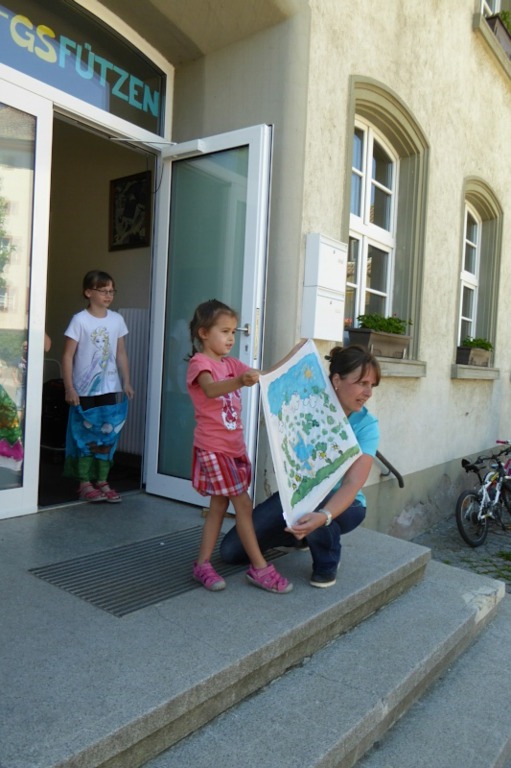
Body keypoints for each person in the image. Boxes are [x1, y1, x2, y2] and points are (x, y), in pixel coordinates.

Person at [220, 344, 381, 588]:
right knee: (231, 551)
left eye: (372, 385)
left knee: (315, 509)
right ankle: (300, 537)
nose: (368, 392)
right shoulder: (310, 404)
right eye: (362, 383)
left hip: (346, 504)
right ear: (337, 380)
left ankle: (327, 559)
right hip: (297, 496)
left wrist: (324, 516)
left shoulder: (367, 425)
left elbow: (352, 483)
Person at [187, 298, 292, 594]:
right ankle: (260, 568)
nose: (231, 338)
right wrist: (239, 382)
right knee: (243, 504)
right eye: (225, 331)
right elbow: (210, 389)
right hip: (213, 447)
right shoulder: (200, 363)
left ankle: (202, 564)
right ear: (203, 333)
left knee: (219, 505)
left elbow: (263, 376)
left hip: (233, 448)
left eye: (233, 331)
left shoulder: (232, 364)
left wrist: (293, 358)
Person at [62, 270, 134, 503]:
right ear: (88, 292)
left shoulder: (117, 320)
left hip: (109, 388)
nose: (108, 295)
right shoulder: (79, 320)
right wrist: (69, 387)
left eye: (111, 291)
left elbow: (121, 353)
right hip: (84, 391)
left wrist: (126, 381)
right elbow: (67, 356)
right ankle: (84, 483)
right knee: (84, 433)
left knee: (107, 434)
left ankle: (102, 480)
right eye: (103, 291)